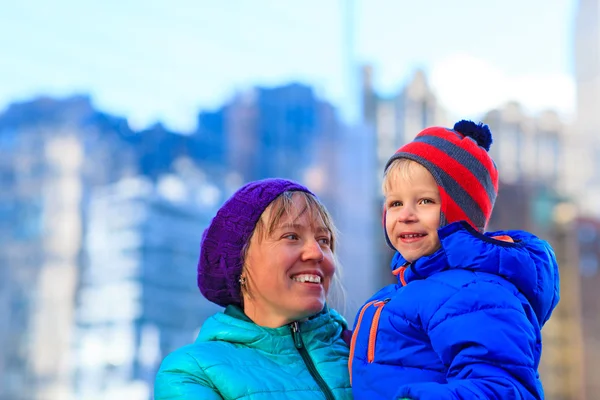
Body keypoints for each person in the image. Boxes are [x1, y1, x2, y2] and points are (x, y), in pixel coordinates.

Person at [349, 120, 560, 399]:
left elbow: (501, 389)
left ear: (460, 214)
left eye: (424, 201)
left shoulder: (473, 292)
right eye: (395, 203)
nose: (405, 215)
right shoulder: (407, 291)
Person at [155, 178, 352, 399]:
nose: (316, 253)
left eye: (324, 240)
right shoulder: (192, 372)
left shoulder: (365, 351)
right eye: (291, 236)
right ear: (239, 262)